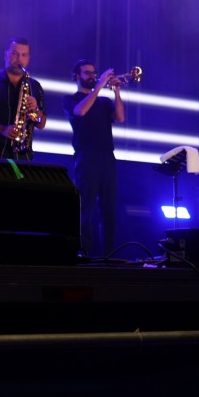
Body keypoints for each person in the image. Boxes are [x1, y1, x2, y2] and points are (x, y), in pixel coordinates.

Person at [63, 60, 125, 258]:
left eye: (94, 73)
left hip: (107, 156)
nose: (92, 76)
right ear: (77, 76)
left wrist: (116, 91)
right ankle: (85, 252)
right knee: (86, 207)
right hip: (86, 156)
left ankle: (109, 253)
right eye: (87, 73)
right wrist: (99, 86)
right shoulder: (71, 99)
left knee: (109, 208)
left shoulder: (104, 101)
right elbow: (80, 112)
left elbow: (120, 118)